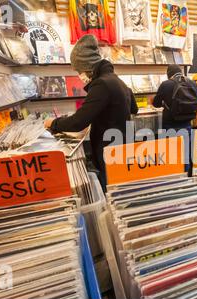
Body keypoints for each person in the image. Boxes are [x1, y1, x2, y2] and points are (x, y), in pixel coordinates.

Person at [44, 34, 138, 189]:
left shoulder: (101, 84)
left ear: (87, 67)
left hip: (110, 152)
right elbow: (134, 108)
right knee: (121, 189)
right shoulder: (117, 80)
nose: (79, 75)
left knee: (112, 192)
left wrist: (53, 123)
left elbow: (78, 122)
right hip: (123, 148)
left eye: (79, 70)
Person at [152, 65, 197, 131]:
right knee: (186, 141)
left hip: (170, 123)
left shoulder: (166, 84)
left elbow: (156, 104)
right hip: (187, 123)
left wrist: (164, 103)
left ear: (169, 74)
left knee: (170, 141)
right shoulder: (193, 83)